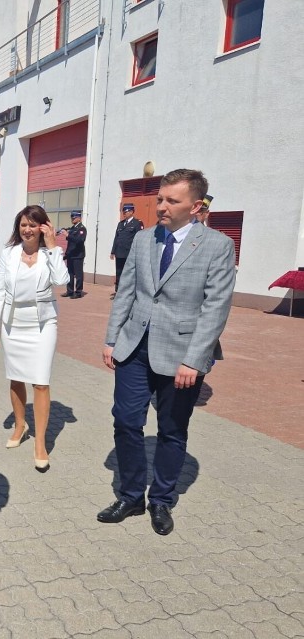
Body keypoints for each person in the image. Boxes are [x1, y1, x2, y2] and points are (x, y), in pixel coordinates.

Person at [98, 169, 235, 536]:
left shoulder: (217, 246)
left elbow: (215, 308)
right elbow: (126, 291)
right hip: (134, 347)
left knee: (172, 430)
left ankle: (161, 499)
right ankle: (130, 496)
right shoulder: (143, 240)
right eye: (160, 198)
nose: (161, 206)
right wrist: (112, 339)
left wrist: (194, 358)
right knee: (126, 421)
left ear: (194, 206)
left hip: (181, 356)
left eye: (171, 201)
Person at [0, 205, 69, 472]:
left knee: (41, 382)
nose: (27, 230)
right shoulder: (9, 254)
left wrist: (54, 246)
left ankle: (41, 442)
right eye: (23, 225)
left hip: (43, 324)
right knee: (16, 376)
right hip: (13, 325)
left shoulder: (50, 253)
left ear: (43, 227)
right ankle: (20, 425)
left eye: (33, 225)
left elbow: (62, 280)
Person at [109, 203, 144, 299]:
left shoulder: (137, 223)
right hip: (119, 253)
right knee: (119, 273)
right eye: (123, 211)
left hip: (129, 253)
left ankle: (128, 293)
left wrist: (137, 252)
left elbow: (139, 238)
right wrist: (113, 251)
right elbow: (116, 238)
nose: (124, 213)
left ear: (132, 212)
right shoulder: (120, 224)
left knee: (129, 274)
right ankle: (118, 292)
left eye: (127, 211)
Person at [61, 210, 86, 299]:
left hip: (78, 255)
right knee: (70, 274)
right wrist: (66, 254)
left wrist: (68, 235)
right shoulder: (72, 228)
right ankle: (70, 291)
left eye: (74, 217)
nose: (72, 219)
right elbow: (70, 244)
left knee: (78, 275)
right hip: (71, 255)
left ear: (79, 218)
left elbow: (79, 240)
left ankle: (78, 292)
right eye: (71, 217)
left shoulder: (82, 229)